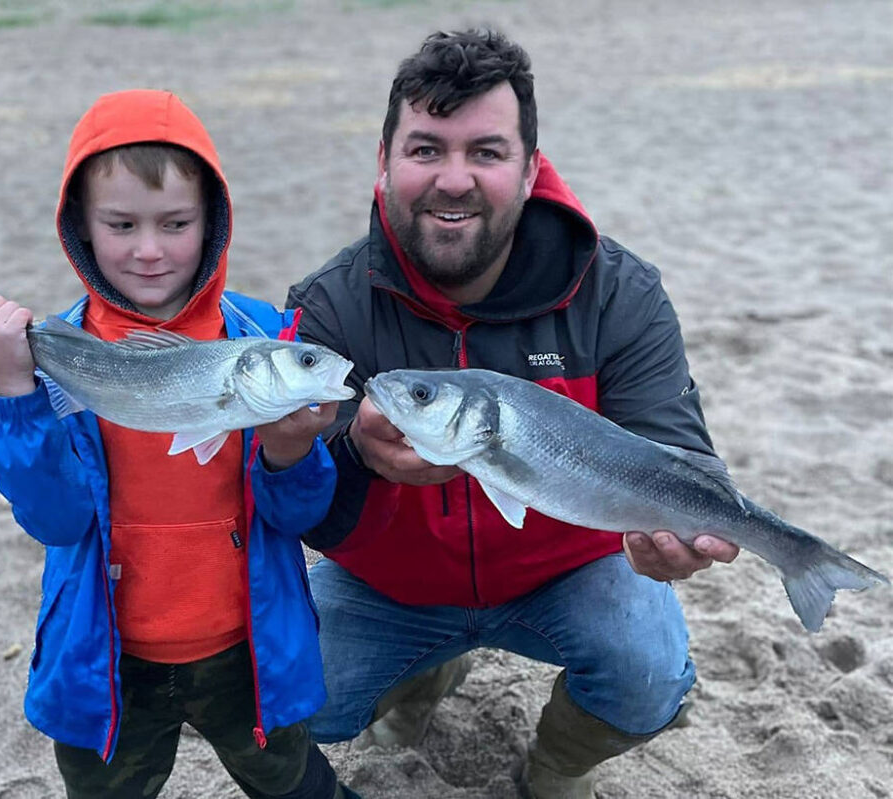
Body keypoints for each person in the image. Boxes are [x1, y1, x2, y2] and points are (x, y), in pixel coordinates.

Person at [285, 29, 741, 799]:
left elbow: (673, 447)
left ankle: (557, 765)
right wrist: (356, 453)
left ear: (530, 169)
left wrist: (679, 532)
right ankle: (425, 673)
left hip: (569, 575)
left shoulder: (618, 292)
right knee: (287, 703)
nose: (453, 179)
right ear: (384, 160)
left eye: (486, 152)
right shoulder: (329, 305)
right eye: (426, 149)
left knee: (648, 668)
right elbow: (305, 512)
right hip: (392, 590)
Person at [0, 89, 357, 799]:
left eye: (176, 223)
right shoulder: (62, 347)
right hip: (109, 657)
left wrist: (291, 451)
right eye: (121, 224)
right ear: (81, 227)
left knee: (291, 779)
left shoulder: (259, 334)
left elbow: (300, 516)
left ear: (213, 221)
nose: (149, 250)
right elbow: (54, 520)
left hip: (247, 648)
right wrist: (13, 391)